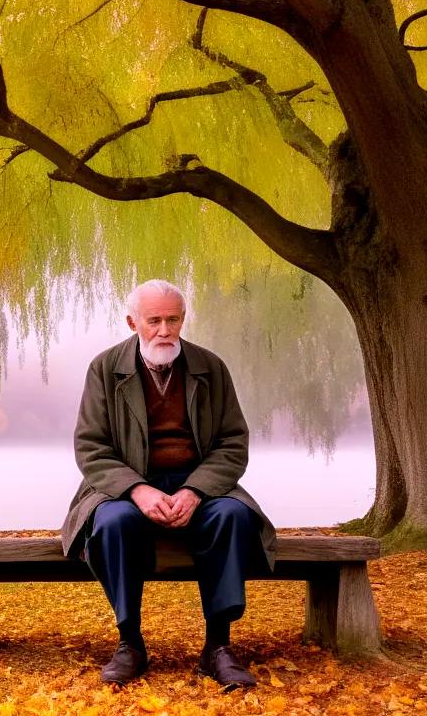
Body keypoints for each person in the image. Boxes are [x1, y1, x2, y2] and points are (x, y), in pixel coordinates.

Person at [60, 279, 276, 688]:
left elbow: (233, 443)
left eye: (172, 320)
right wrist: (137, 490)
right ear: (132, 322)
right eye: (154, 320)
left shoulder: (210, 367)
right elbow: (91, 447)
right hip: (126, 485)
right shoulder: (105, 369)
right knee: (111, 523)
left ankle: (218, 647)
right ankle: (130, 644)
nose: (164, 330)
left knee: (232, 515)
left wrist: (195, 491)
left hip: (199, 483)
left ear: (182, 319)